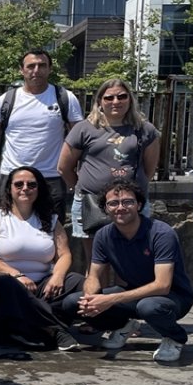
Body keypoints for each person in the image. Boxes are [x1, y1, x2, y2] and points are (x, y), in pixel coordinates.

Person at [62, 180, 193, 363]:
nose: (120, 207)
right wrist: (90, 299)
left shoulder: (161, 233)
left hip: (172, 297)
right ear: (105, 208)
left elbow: (162, 285)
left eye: (127, 202)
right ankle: (122, 326)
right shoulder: (103, 235)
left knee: (148, 307)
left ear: (139, 205)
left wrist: (109, 300)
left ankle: (175, 338)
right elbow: (93, 275)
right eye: (113, 203)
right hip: (133, 293)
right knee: (73, 303)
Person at [0, 166, 85, 351]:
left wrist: (57, 276)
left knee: (78, 281)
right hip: (10, 284)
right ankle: (55, 329)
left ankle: (35, 322)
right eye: (19, 184)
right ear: (9, 188)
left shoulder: (50, 219)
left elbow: (65, 254)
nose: (25, 188)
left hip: (44, 286)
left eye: (31, 185)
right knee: (7, 284)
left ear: (39, 188)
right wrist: (16, 275)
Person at [0, 49, 83, 224]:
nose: (36, 70)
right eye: (31, 66)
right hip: (13, 176)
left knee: (52, 230)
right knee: (10, 228)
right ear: (22, 70)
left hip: (51, 177)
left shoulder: (65, 98)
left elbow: (79, 138)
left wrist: (77, 172)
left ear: (49, 69)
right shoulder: (5, 100)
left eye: (42, 65)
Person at [58, 78, 161, 257]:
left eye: (122, 96)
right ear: (99, 101)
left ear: (130, 99)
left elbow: (149, 169)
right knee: (96, 261)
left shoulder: (145, 130)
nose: (116, 101)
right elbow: (64, 167)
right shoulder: (84, 128)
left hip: (132, 204)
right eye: (109, 98)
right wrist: (80, 187)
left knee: (131, 260)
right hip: (92, 204)